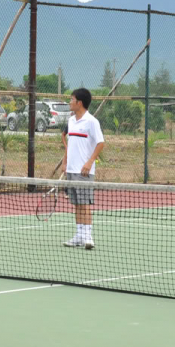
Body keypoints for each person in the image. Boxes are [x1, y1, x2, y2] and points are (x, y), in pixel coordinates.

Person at [61, 88, 105, 249]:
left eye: (71, 99)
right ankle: (79, 236)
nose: (70, 102)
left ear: (79, 102)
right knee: (77, 204)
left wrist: (89, 162)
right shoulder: (71, 121)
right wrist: (65, 163)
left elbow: (100, 143)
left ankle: (88, 237)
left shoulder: (92, 122)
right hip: (71, 170)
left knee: (84, 203)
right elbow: (70, 145)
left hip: (84, 172)